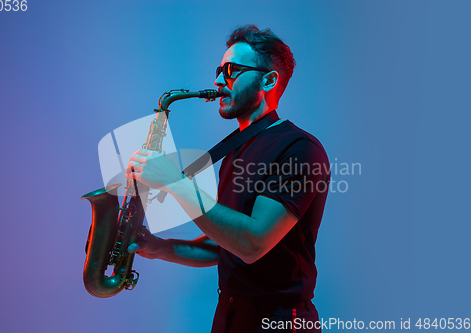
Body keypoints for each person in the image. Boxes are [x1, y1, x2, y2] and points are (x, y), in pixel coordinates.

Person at [125, 25, 329, 333]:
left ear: (269, 80)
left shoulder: (299, 149)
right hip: (230, 316)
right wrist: (160, 248)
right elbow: (225, 245)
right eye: (219, 70)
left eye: (231, 70)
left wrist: (173, 181)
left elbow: (251, 243)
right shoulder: (236, 150)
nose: (219, 81)